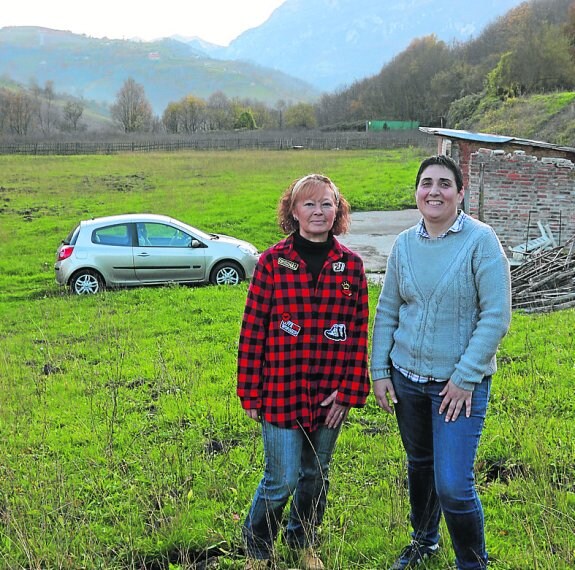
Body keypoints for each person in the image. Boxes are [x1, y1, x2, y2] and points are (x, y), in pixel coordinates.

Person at [370, 155, 512, 570]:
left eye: (445, 184)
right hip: (407, 380)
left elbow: (496, 316)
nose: (435, 191)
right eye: (426, 183)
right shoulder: (404, 244)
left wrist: (465, 378)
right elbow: (388, 310)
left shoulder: (481, 241)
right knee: (420, 467)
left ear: (460, 192)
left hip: (458, 388)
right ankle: (424, 541)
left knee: (452, 484)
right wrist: (380, 370)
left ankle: (472, 562)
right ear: (416, 191)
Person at [237, 173, 370, 570]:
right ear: (293, 212)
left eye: (326, 204)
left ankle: (302, 541)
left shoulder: (351, 267)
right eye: (309, 204)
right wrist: (249, 392)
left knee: (316, 473)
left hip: (330, 396)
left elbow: (359, 334)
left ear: (338, 211)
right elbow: (252, 330)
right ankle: (258, 548)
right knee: (282, 479)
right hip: (281, 389)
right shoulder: (273, 263)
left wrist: (348, 393)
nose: (318, 211)